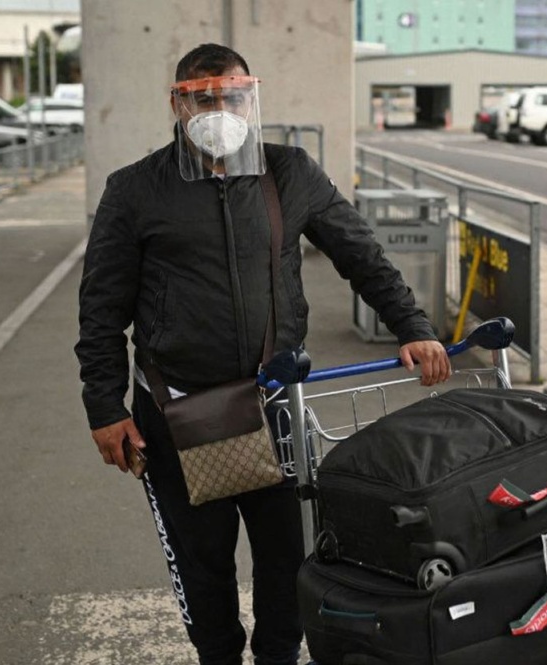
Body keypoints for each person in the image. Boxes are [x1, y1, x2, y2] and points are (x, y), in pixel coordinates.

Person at [74, 43, 451, 665]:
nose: (218, 108)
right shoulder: (136, 190)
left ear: (251, 97)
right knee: (203, 561)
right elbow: (102, 309)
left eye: (231, 95)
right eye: (202, 96)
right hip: (178, 410)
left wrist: (412, 324)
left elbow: (360, 253)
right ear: (178, 101)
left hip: (276, 402)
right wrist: (104, 406)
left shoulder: (290, 172)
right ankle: (217, 656)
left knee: (289, 557)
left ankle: (278, 654)